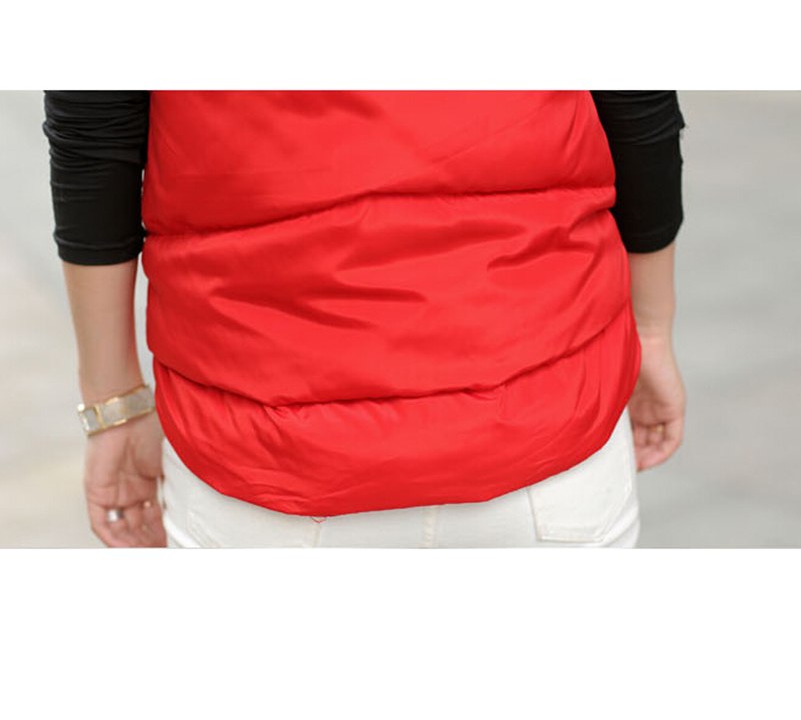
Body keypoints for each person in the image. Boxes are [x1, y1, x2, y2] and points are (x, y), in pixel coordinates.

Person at [43, 90, 686, 548]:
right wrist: (651, 331)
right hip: (545, 431)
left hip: (263, 462)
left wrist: (114, 403)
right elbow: (635, 101)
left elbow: (95, 131)